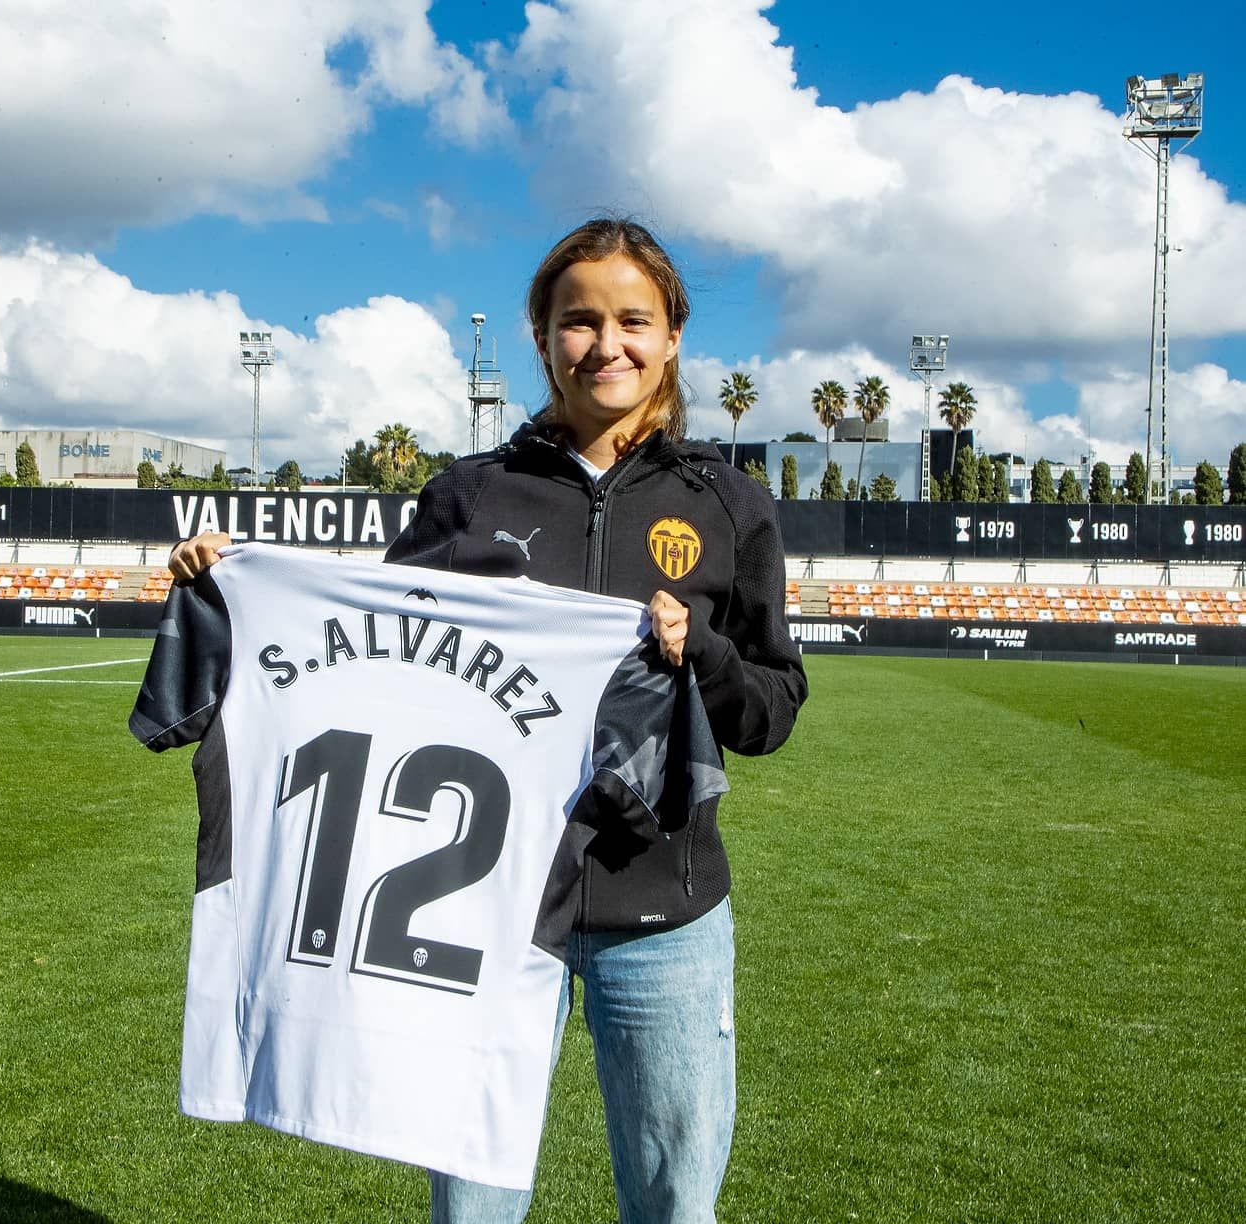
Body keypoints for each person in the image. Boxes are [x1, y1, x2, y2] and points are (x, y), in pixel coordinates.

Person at [168, 217, 807, 1223]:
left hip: (664, 911)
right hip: (478, 917)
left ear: (672, 335)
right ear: (544, 337)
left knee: (677, 1205)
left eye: (633, 321)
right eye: (579, 322)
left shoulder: (727, 503)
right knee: (472, 1213)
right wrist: (234, 589)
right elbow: (368, 664)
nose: (608, 345)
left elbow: (771, 713)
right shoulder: (469, 495)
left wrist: (705, 653)